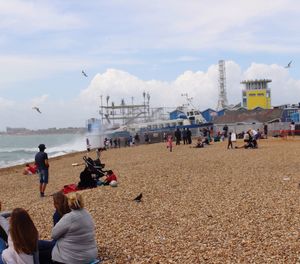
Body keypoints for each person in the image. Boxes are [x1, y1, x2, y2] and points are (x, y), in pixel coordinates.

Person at [51, 193, 98, 264]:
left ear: (69, 203)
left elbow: (54, 235)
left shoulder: (69, 217)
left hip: (73, 258)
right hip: (91, 255)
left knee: (40, 248)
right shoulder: (87, 214)